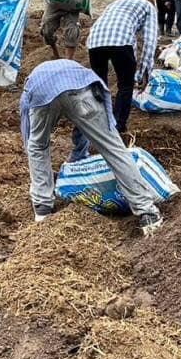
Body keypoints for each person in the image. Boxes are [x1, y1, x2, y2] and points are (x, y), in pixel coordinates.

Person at [20, 58, 163, 235]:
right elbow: (84, 124)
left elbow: (30, 137)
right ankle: (147, 212)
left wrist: (71, 157)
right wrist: (79, 154)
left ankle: (42, 208)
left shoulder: (30, 88)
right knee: (113, 149)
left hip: (43, 93)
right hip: (82, 90)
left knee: (38, 147)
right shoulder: (76, 71)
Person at [85, 0, 157, 136]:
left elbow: (132, 40)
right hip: (121, 42)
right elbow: (149, 41)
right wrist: (142, 73)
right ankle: (118, 128)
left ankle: (96, 124)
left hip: (94, 41)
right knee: (126, 85)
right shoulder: (149, 7)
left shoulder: (115, 4)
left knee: (99, 85)